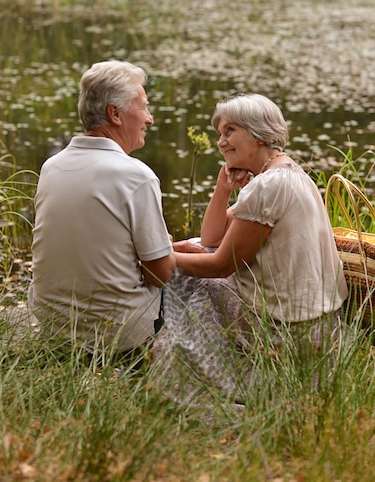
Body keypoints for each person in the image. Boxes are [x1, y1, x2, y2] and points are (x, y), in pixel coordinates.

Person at [152, 93, 348, 403]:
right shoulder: (288, 174)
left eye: (229, 131)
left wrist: (156, 261)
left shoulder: (269, 186)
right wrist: (223, 187)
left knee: (188, 281)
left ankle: (189, 383)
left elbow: (220, 264)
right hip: (318, 323)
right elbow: (212, 237)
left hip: (286, 326)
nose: (221, 141)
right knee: (190, 248)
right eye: (220, 133)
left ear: (259, 133)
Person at [28, 60, 175, 360]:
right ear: (115, 114)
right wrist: (166, 248)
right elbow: (161, 274)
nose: (150, 119)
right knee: (195, 288)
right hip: (117, 336)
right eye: (144, 107)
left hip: (53, 328)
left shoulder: (51, 167)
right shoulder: (136, 175)